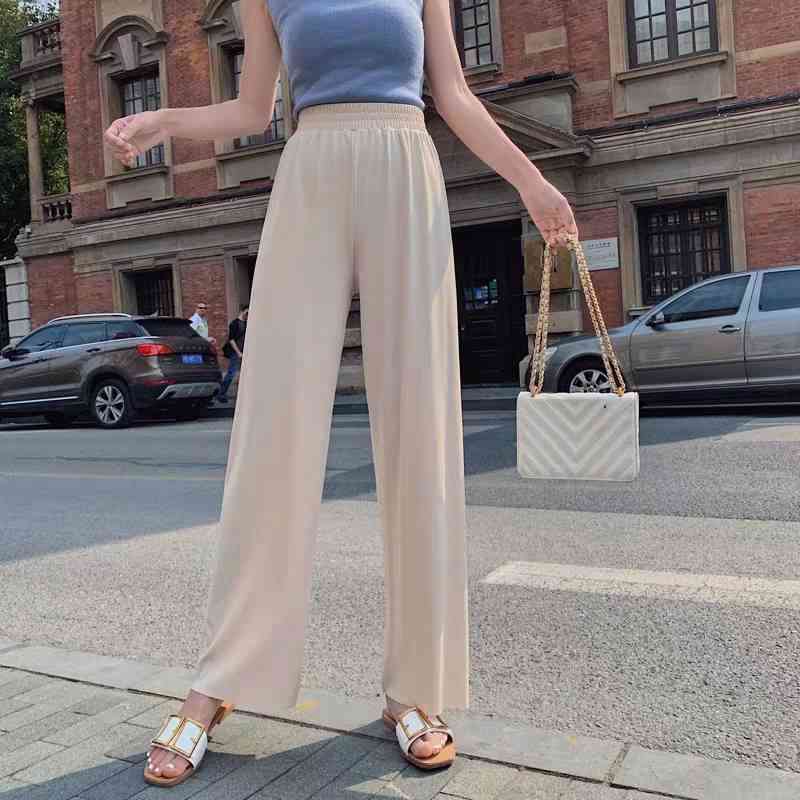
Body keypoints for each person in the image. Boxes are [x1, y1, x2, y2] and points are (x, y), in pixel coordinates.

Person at [104, 0, 578, 786]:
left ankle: (414, 688)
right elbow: (252, 109)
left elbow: (453, 95)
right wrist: (163, 123)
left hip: (406, 166)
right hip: (311, 171)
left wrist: (533, 185)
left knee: (421, 426)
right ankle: (219, 681)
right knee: (273, 429)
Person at [217, 304, 248, 403]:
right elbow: (231, 340)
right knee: (231, 373)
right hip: (236, 352)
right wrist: (238, 352)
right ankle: (221, 394)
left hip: (245, 351)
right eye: (247, 313)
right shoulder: (234, 323)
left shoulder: (247, 323)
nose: (248, 315)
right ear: (242, 311)